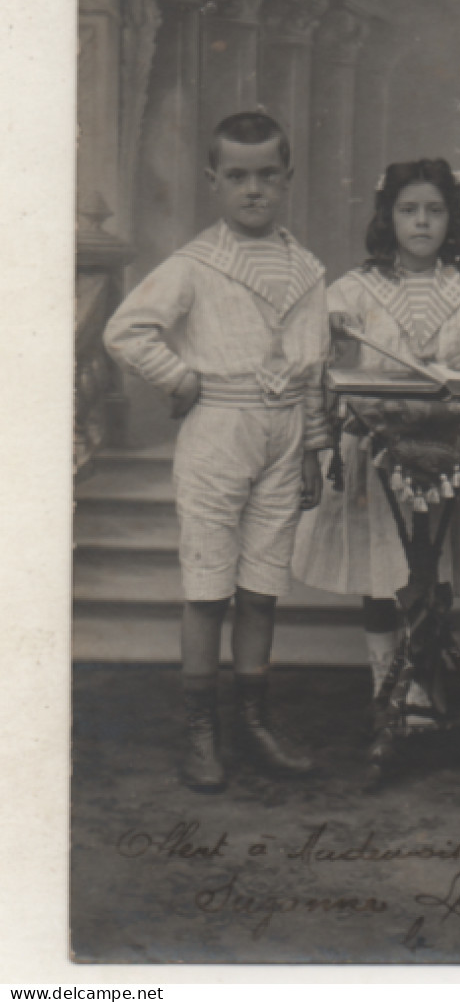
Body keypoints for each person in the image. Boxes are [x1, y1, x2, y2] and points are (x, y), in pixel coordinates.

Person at [104, 112, 330, 793]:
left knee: (261, 589)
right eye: (237, 175)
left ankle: (253, 721)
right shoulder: (196, 263)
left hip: (284, 431)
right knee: (208, 589)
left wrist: (315, 447)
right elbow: (126, 330)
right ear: (213, 181)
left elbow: (315, 367)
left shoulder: (308, 269)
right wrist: (181, 377)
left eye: (267, 174)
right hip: (219, 431)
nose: (253, 189)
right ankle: (201, 730)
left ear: (287, 178)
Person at [293, 157, 460, 722]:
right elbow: (312, 340)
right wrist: (325, 332)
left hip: (450, 455)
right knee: (383, 573)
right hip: (381, 454)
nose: (421, 222)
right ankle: (389, 687)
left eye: (434, 210)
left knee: (434, 566)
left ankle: (427, 676)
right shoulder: (358, 288)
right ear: (388, 218)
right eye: (408, 210)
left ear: (453, 218)